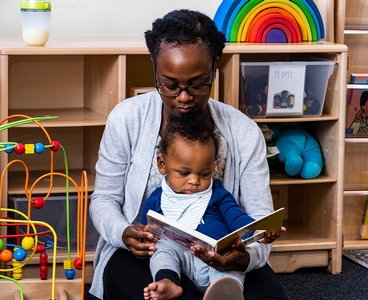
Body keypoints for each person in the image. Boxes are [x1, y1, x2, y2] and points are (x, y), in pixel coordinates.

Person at [88, 9, 287, 300]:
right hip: (150, 253)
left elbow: (258, 217)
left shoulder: (244, 132)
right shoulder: (126, 119)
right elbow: (104, 200)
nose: (183, 97)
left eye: (197, 84)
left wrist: (247, 256)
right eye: (169, 85)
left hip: (222, 257)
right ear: (155, 69)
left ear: (214, 70)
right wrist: (123, 232)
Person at [141, 113, 258, 300]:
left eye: (204, 174)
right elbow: (146, 230)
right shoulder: (157, 199)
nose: (194, 181)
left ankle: (226, 290)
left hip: (215, 260)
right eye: (184, 173)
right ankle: (168, 281)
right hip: (180, 259)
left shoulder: (217, 194)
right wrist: (145, 235)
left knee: (230, 264)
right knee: (162, 251)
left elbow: (240, 220)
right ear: (162, 165)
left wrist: (261, 231)